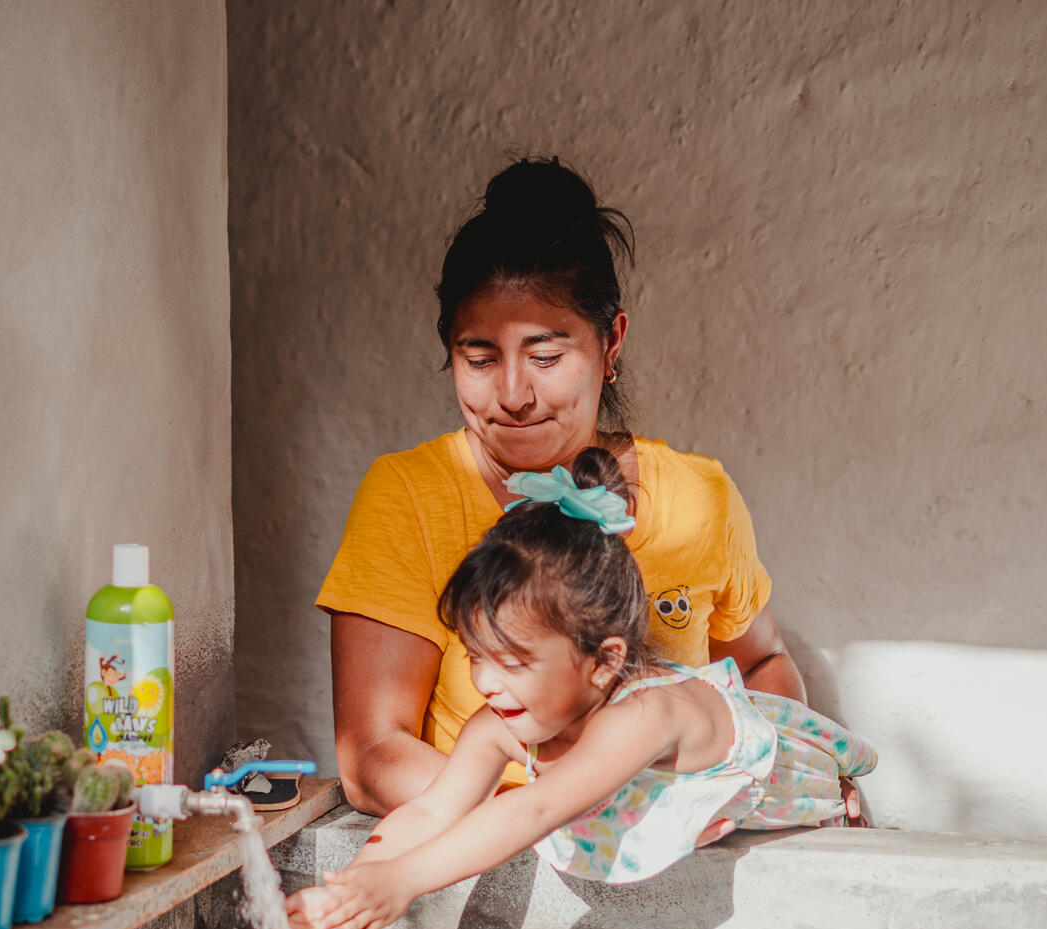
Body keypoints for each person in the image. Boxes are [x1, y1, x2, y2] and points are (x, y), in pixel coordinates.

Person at [320, 157, 813, 817]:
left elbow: (761, 667)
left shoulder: (699, 499)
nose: (515, 395)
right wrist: (581, 821)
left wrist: (781, 778)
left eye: (546, 357)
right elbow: (373, 757)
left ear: (611, 343)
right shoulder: (411, 496)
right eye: (480, 357)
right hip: (500, 866)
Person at [288, 450, 874, 929]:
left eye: (513, 662)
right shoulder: (502, 721)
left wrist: (404, 882)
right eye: (473, 656)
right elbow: (432, 812)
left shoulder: (646, 716)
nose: (486, 684)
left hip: (801, 795)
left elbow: (536, 809)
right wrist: (358, 883)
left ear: (602, 661)